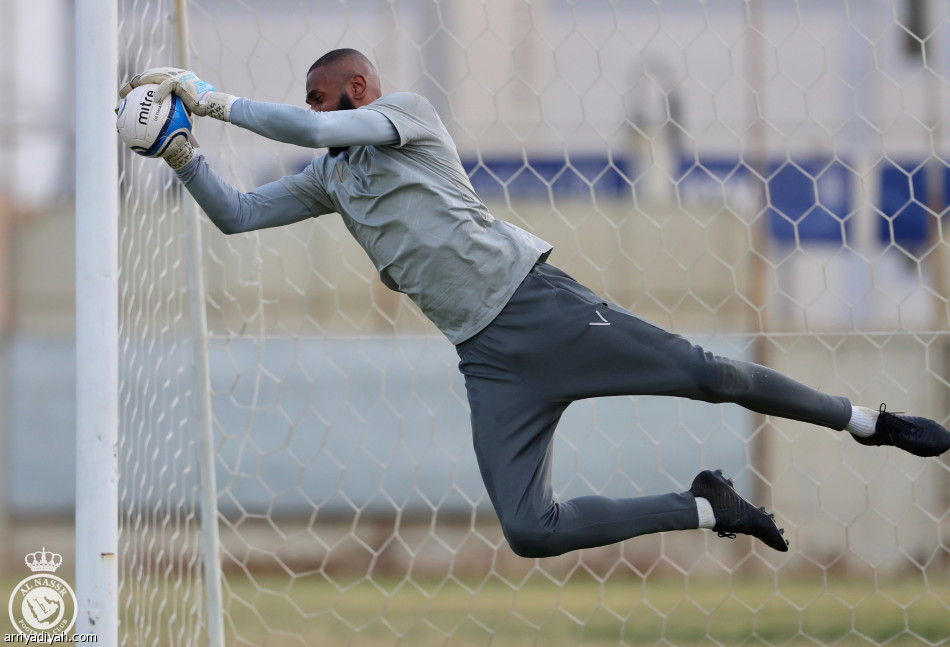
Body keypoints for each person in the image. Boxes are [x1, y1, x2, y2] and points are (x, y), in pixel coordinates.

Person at [118, 49, 950, 557]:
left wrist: (212, 95)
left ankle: (866, 420)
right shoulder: (333, 180)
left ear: (360, 88)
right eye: (307, 101)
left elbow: (316, 134)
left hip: (538, 306)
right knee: (529, 529)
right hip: (489, 362)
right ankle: (708, 506)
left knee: (710, 373)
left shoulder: (404, 115)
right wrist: (182, 149)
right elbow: (236, 216)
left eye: (322, 95)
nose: (313, 110)